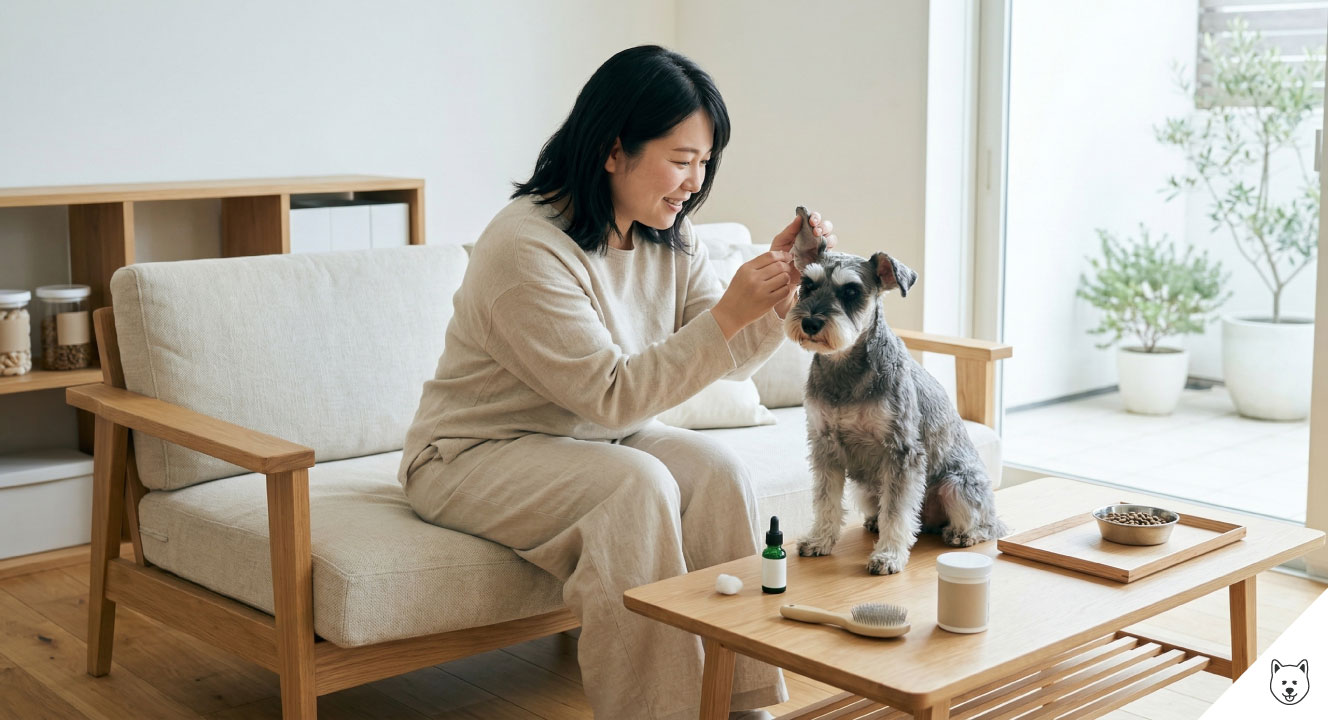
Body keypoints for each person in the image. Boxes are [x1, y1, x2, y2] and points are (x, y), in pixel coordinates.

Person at [400, 44, 835, 720]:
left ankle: (743, 703)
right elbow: (612, 392)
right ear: (612, 150)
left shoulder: (670, 236)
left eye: (706, 163)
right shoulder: (527, 248)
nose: (695, 181)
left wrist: (776, 289)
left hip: (597, 436)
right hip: (471, 453)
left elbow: (721, 358)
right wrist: (730, 312)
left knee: (718, 472)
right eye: (682, 160)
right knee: (635, 488)